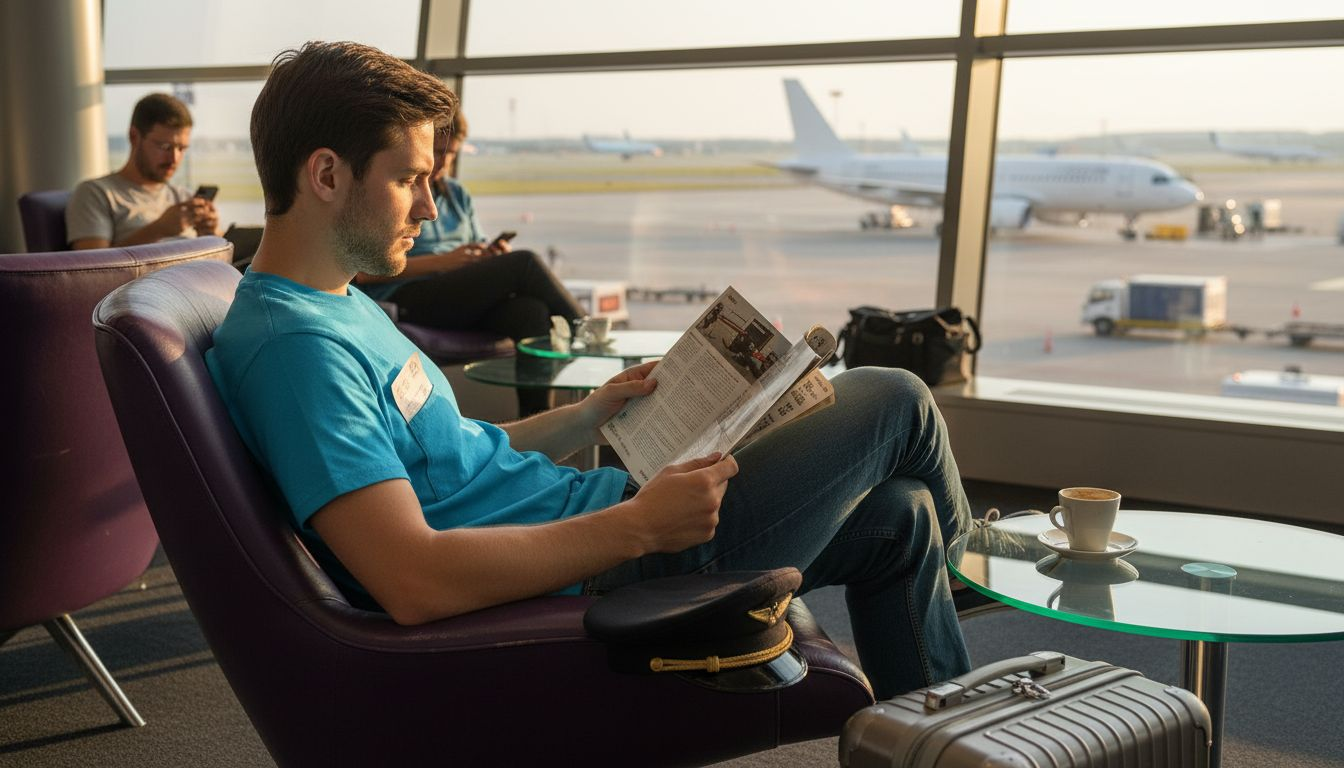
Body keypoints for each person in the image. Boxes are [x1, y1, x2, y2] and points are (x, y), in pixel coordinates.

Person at [205, 41, 973, 699]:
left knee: (902, 518)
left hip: (597, 521)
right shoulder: (296, 350)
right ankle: (975, 575)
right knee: (895, 397)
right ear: (327, 176)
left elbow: (453, 460)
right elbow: (414, 578)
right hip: (609, 571)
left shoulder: (338, 301)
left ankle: (947, 738)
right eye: (411, 179)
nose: (432, 209)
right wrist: (638, 527)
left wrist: (590, 414)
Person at [354, 109, 584, 414]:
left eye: (452, 153)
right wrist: (444, 262)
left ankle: (537, 426)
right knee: (524, 263)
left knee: (531, 313)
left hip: (459, 295)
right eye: (437, 152)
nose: (445, 161)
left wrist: (488, 256)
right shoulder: (398, 192)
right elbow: (364, 273)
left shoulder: (456, 194)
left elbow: (473, 245)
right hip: (409, 295)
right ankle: (587, 331)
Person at [66, 92, 220, 249]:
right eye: (165, 147)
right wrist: (158, 230)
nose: (174, 159)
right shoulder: (97, 194)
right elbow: (91, 267)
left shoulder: (183, 197)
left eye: (181, 148)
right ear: (134, 137)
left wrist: (212, 235)